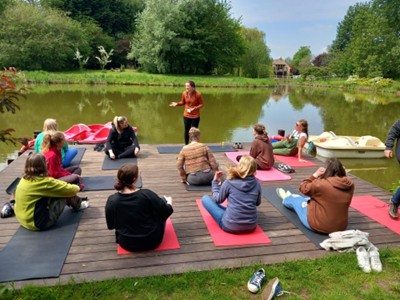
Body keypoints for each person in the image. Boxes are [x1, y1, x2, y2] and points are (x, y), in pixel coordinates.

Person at [105, 163, 173, 251]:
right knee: (163, 200)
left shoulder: (112, 200)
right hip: (151, 241)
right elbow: (165, 212)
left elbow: (111, 225)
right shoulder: (147, 194)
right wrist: (169, 203)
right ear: (135, 179)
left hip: (126, 243)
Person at [276, 157, 354, 234]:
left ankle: (287, 198)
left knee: (297, 200)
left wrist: (316, 174)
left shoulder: (321, 184)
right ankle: (295, 198)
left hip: (318, 225)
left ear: (327, 171)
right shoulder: (350, 184)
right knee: (309, 199)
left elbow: (303, 187)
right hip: (340, 227)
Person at [14, 153, 88, 231]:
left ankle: (77, 202)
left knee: (56, 191)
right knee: (64, 192)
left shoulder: (24, 179)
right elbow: (72, 190)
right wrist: (78, 187)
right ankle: (78, 204)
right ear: (43, 166)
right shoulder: (44, 182)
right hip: (38, 223)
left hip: (22, 220)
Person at [201, 155, 261, 234]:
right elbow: (257, 203)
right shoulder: (256, 183)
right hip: (251, 226)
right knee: (230, 209)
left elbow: (218, 200)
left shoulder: (229, 181)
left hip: (230, 226)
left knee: (205, 199)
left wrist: (215, 182)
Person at [169, 80, 204, 145]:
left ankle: (193, 145)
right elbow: (183, 102)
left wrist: (194, 108)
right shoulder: (184, 93)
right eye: (186, 86)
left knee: (194, 132)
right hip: (186, 115)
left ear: (192, 87)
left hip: (195, 116)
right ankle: (186, 145)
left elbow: (201, 104)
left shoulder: (198, 94)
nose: (186, 88)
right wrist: (177, 104)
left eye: (188, 86)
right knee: (186, 130)